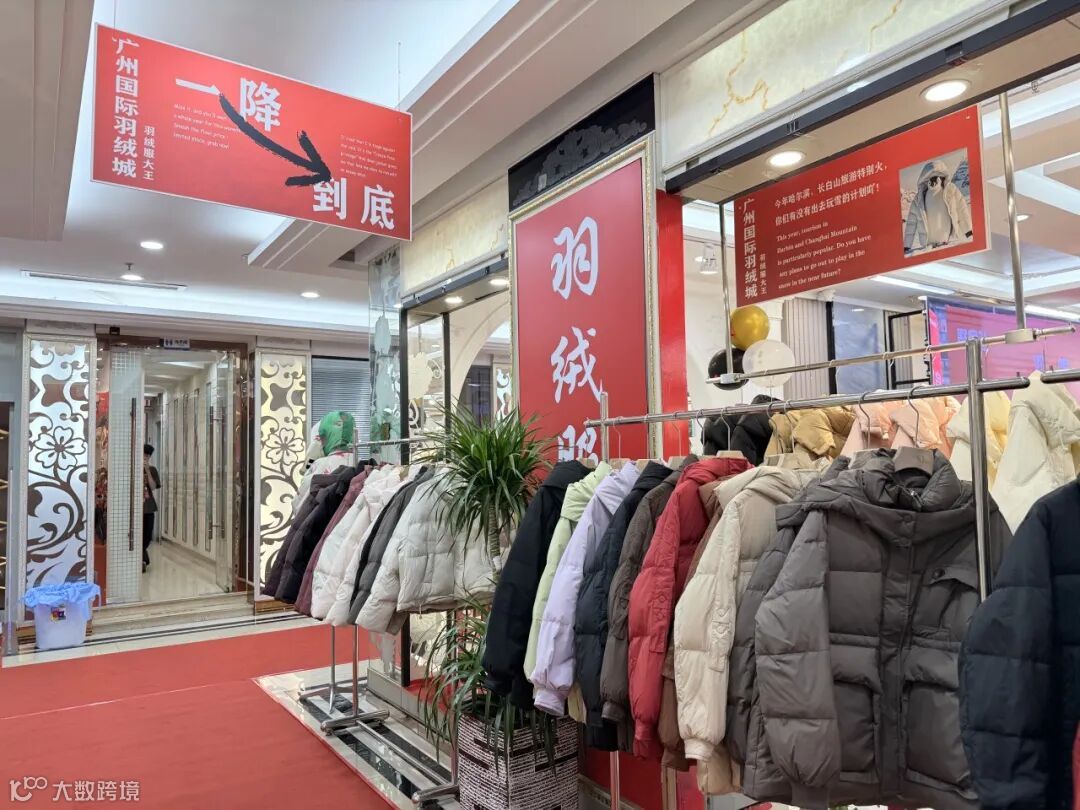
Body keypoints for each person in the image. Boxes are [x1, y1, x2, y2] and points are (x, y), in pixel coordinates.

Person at [903, 159, 973, 254]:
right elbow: (911, 222)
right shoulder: (920, 198)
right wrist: (907, 245)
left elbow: (961, 209)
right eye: (931, 178)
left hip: (945, 239)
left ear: (941, 178)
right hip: (928, 243)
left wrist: (968, 230)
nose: (933, 181)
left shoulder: (950, 190)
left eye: (936, 178)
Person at [142, 444, 161, 570]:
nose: (145, 457)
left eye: (147, 456)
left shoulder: (152, 470)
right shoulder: (132, 468)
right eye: (144, 455)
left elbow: (153, 487)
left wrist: (147, 470)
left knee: (148, 535)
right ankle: (142, 559)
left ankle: (143, 556)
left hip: (148, 507)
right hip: (136, 508)